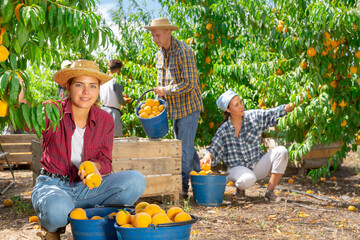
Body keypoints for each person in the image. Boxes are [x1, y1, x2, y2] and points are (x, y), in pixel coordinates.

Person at [31, 60, 146, 239]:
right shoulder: (52, 110)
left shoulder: (105, 119)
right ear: (68, 87)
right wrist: (18, 101)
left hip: (88, 188)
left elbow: (106, 160)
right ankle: (52, 229)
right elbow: (26, 122)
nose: (86, 92)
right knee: (57, 211)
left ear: (98, 89)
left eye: (92, 86)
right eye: (80, 85)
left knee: (136, 180)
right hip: (54, 184)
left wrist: (94, 166)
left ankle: (91, 216)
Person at [200, 89, 300, 202]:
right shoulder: (224, 130)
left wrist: (295, 103)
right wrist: (207, 156)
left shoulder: (253, 117)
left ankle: (269, 192)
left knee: (282, 151)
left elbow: (273, 113)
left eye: (241, 102)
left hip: (256, 165)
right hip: (236, 168)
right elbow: (213, 148)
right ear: (228, 109)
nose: (241, 106)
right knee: (248, 179)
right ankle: (240, 187)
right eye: (236, 105)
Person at [144, 18, 203, 199]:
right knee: (186, 146)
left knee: (182, 149)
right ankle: (201, 182)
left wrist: (165, 91)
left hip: (188, 107)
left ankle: (182, 189)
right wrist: (158, 101)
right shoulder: (160, 54)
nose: (155, 39)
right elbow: (160, 83)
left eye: (158, 35)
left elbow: (190, 84)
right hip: (174, 108)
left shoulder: (184, 52)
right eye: (153, 35)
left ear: (169, 32)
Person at [99, 59, 129, 137]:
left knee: (104, 138)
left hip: (103, 111)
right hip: (113, 113)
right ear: (119, 70)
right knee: (114, 140)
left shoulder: (103, 82)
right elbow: (120, 100)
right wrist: (126, 101)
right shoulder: (116, 81)